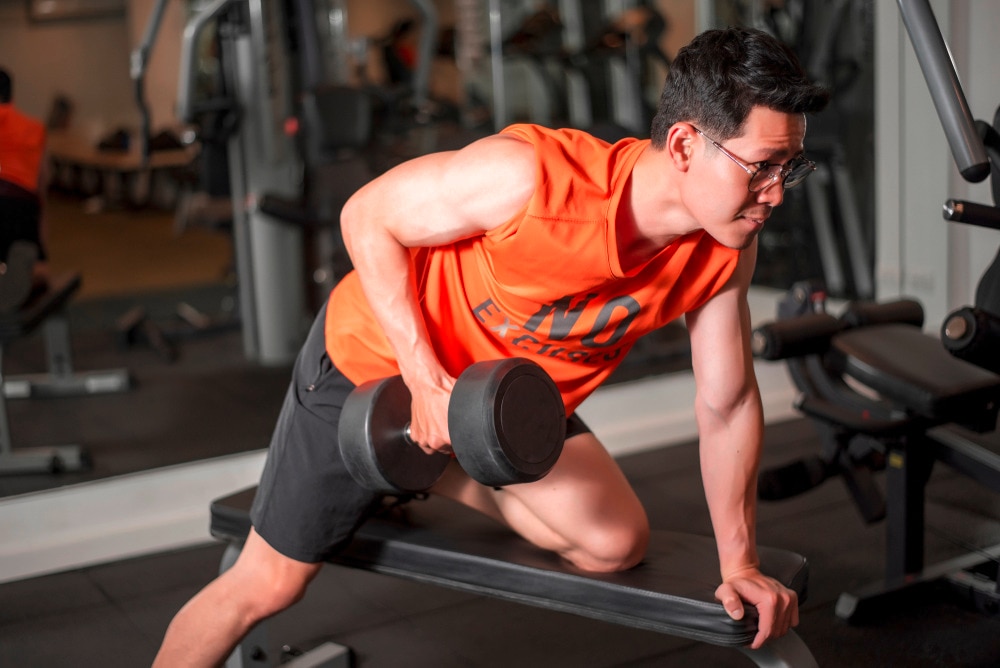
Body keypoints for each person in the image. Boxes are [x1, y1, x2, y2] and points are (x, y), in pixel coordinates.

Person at [154, 26, 829, 666]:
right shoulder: (532, 180)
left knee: (614, 543)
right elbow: (366, 216)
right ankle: (405, 447)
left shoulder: (723, 247)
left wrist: (739, 565)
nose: (775, 194)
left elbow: (728, 403)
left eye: (788, 169)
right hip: (377, 364)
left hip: (498, 397)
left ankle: (429, 464)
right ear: (684, 146)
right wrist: (422, 385)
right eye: (763, 166)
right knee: (266, 587)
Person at [0, 67, 50, 308]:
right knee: (38, 271)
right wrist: (42, 252)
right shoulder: (33, 128)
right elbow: (41, 186)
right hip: (22, 205)